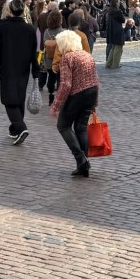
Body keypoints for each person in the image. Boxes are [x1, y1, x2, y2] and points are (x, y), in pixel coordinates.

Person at [51, 30, 100, 178]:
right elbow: (95, 79)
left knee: (63, 126)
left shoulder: (67, 57)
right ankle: (83, 167)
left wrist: (56, 105)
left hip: (77, 94)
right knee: (81, 127)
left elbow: (66, 84)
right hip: (91, 92)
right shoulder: (87, 55)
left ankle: (81, 159)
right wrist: (94, 103)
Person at [0, 0, 38, 145]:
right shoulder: (30, 29)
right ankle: (15, 129)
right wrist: (35, 70)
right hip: (23, 67)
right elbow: (34, 52)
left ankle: (21, 127)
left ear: (11, 11)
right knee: (19, 97)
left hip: (8, 66)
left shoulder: (4, 27)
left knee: (8, 99)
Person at [103, 0, 126, 69]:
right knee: (118, 48)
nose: (119, 3)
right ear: (116, 3)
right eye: (118, 2)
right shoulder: (118, 11)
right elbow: (123, 20)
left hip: (111, 30)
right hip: (118, 30)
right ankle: (115, 65)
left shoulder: (109, 10)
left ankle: (108, 63)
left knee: (113, 48)